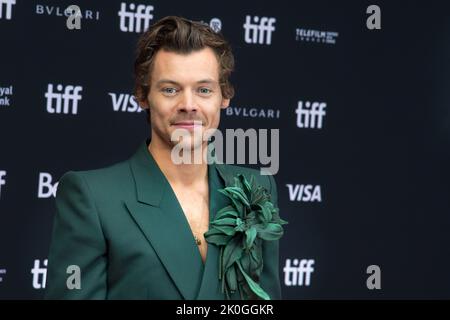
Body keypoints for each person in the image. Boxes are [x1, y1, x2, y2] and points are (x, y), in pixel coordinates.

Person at [45, 16, 282, 300]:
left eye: (203, 90)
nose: (188, 105)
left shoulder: (257, 189)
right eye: (170, 90)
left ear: (224, 96)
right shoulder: (92, 197)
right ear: (143, 96)